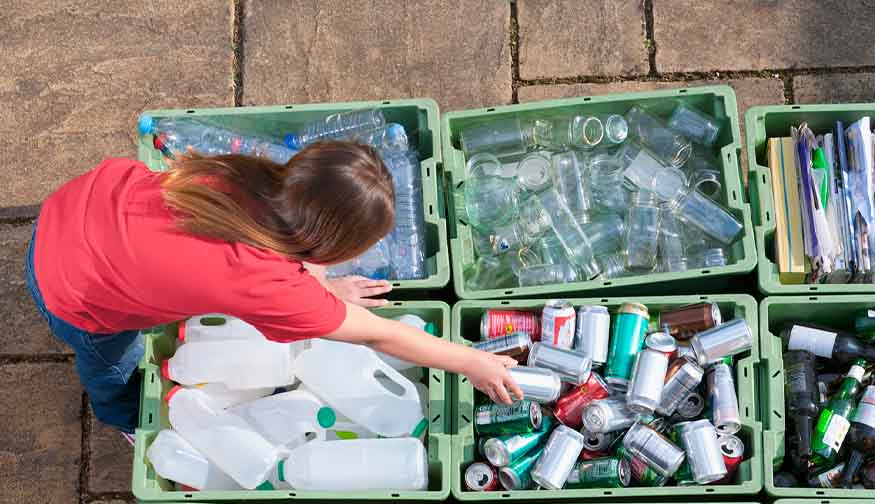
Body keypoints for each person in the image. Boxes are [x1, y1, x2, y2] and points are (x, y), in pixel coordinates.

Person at [26, 140, 522, 436]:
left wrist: (324, 295)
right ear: (329, 245)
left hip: (75, 206)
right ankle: (122, 418)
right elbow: (378, 335)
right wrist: (470, 361)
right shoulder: (267, 281)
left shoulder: (247, 177)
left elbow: (257, 260)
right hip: (72, 289)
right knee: (110, 360)